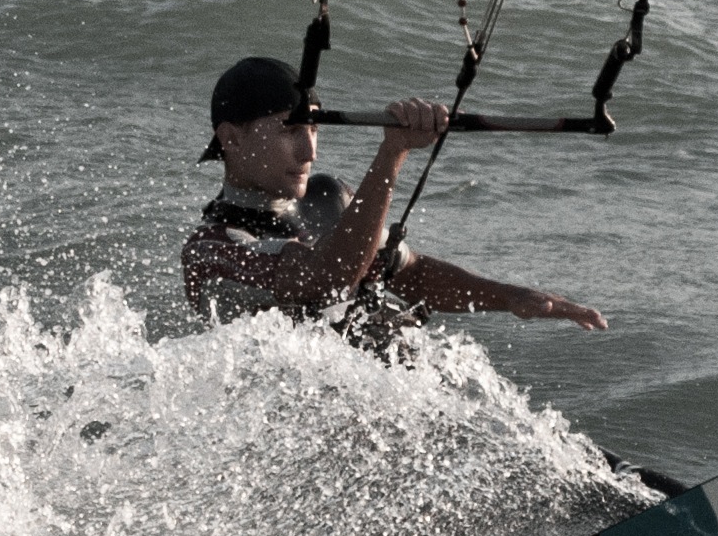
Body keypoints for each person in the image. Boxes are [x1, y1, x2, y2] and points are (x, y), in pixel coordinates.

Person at [182, 56, 607, 332]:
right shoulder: (212, 251)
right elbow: (326, 280)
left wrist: (511, 297)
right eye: (288, 130)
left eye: (313, 129)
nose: (309, 150)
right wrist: (393, 151)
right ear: (231, 138)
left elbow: (411, 273)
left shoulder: (329, 197)